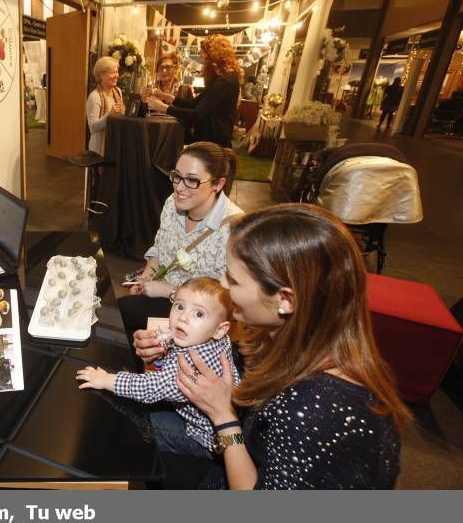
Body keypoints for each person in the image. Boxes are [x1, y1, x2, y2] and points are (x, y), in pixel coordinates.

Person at [158, 204, 411, 489]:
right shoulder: (291, 338)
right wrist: (168, 342)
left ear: (285, 300)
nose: (223, 284)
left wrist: (223, 417)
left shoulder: (316, 410)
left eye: (234, 279)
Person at [76, 277, 240, 458]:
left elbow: (150, 387)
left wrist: (106, 380)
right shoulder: (210, 336)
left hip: (205, 436)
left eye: (199, 314)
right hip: (206, 410)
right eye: (179, 306)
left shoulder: (195, 366)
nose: (183, 317)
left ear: (220, 330)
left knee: (137, 423)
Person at [118, 142, 243, 338]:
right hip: (160, 294)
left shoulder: (234, 228)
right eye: (177, 176)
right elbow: (159, 249)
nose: (179, 187)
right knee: (121, 320)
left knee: (119, 315)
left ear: (218, 184)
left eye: (192, 181)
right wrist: (145, 279)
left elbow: (224, 300)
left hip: (196, 318)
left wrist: (168, 291)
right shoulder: (172, 203)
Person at [147, 35, 242, 148]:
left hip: (214, 143)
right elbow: (194, 103)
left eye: (203, 56)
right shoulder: (220, 79)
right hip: (208, 139)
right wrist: (167, 97)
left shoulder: (226, 81)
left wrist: (163, 107)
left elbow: (197, 113)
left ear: (213, 55)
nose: (202, 60)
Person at [86, 56, 124, 156]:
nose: (116, 75)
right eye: (112, 73)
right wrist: (109, 115)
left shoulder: (118, 91)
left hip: (115, 144)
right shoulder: (94, 97)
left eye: (116, 71)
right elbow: (93, 128)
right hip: (99, 150)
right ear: (101, 75)